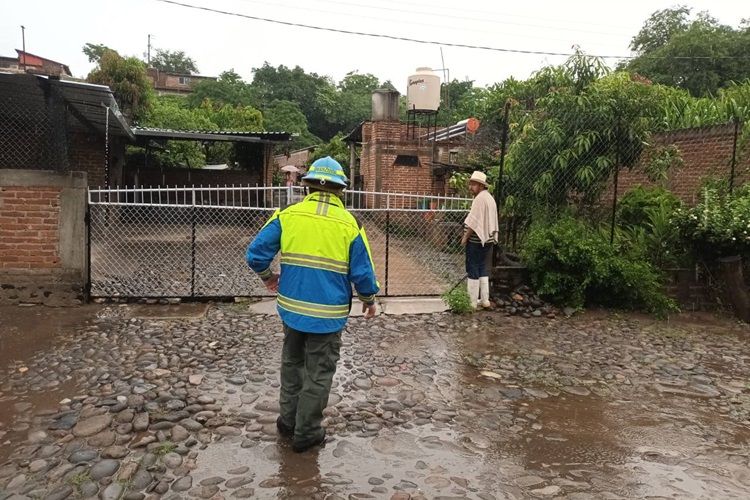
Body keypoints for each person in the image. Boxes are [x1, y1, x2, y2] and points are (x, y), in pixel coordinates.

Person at [245, 156, 379, 453]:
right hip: (328, 317)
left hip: (291, 310)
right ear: (340, 190)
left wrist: (269, 278)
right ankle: (306, 433)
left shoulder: (287, 215)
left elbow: (255, 254)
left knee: (292, 364)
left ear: (306, 187)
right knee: (318, 371)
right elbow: (363, 273)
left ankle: (288, 422)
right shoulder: (351, 224)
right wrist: (369, 300)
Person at [461, 171, 499, 310]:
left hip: (476, 240)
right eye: (470, 184)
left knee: (472, 266)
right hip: (487, 239)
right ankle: (485, 300)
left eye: (474, 184)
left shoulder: (479, 199)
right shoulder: (489, 198)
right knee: (482, 266)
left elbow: (474, 221)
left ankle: (471, 302)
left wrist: (465, 237)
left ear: (481, 186)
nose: (471, 187)